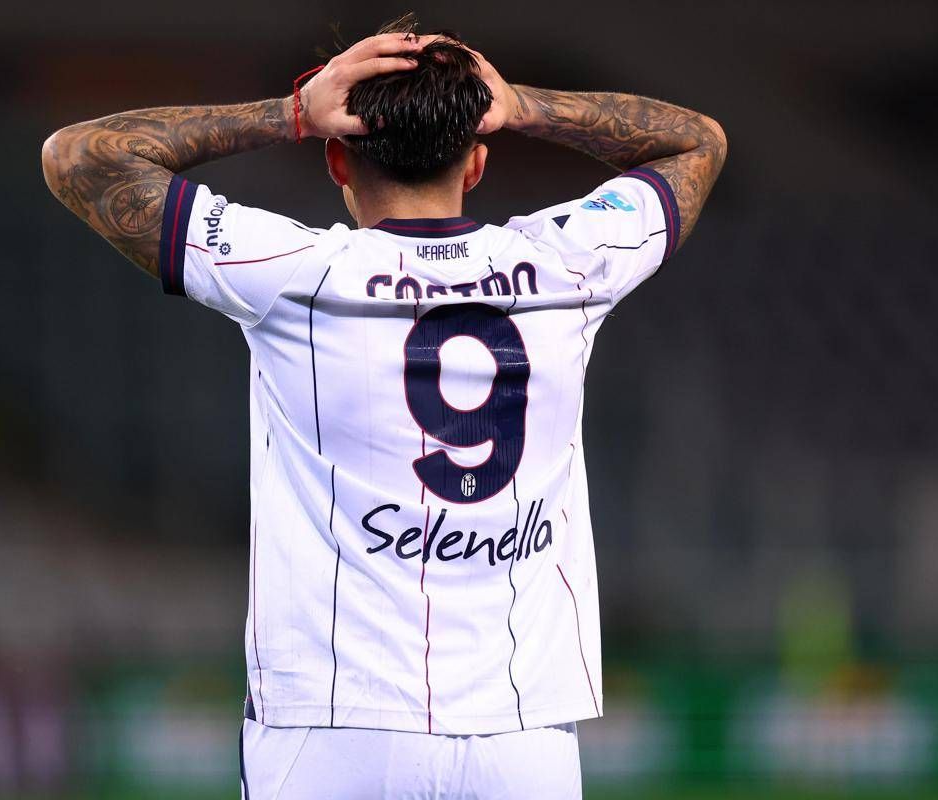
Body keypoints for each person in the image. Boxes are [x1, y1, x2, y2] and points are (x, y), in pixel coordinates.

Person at [41, 13, 725, 799]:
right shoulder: (569, 261)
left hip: (333, 723)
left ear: (337, 155)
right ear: (477, 160)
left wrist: (291, 112)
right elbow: (698, 143)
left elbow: (78, 158)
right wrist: (522, 104)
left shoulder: (292, 272)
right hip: (520, 730)